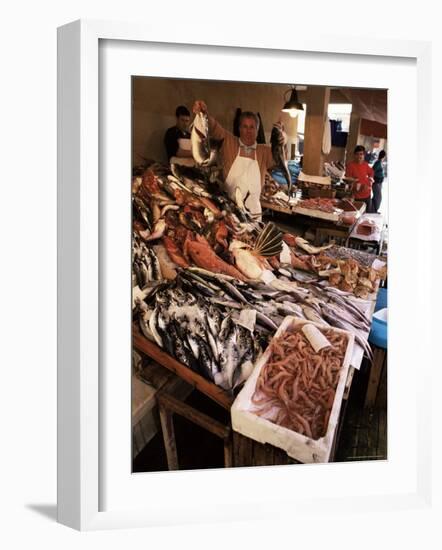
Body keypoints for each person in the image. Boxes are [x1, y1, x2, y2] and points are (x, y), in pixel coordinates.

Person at [192, 100, 285, 217]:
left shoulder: (264, 151)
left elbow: (280, 159)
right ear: (239, 128)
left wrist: (282, 141)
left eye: (252, 127)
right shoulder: (229, 141)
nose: (248, 131)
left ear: (257, 130)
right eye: (244, 126)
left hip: (254, 214)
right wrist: (203, 113)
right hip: (230, 211)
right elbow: (214, 128)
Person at [345, 145, 374, 212]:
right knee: (357, 217)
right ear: (354, 155)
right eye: (357, 154)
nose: (359, 156)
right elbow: (348, 182)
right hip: (357, 198)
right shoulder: (350, 166)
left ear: (364, 155)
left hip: (367, 196)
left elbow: (371, 172)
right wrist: (359, 186)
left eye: (361, 154)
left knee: (366, 217)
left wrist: (370, 180)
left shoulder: (365, 165)